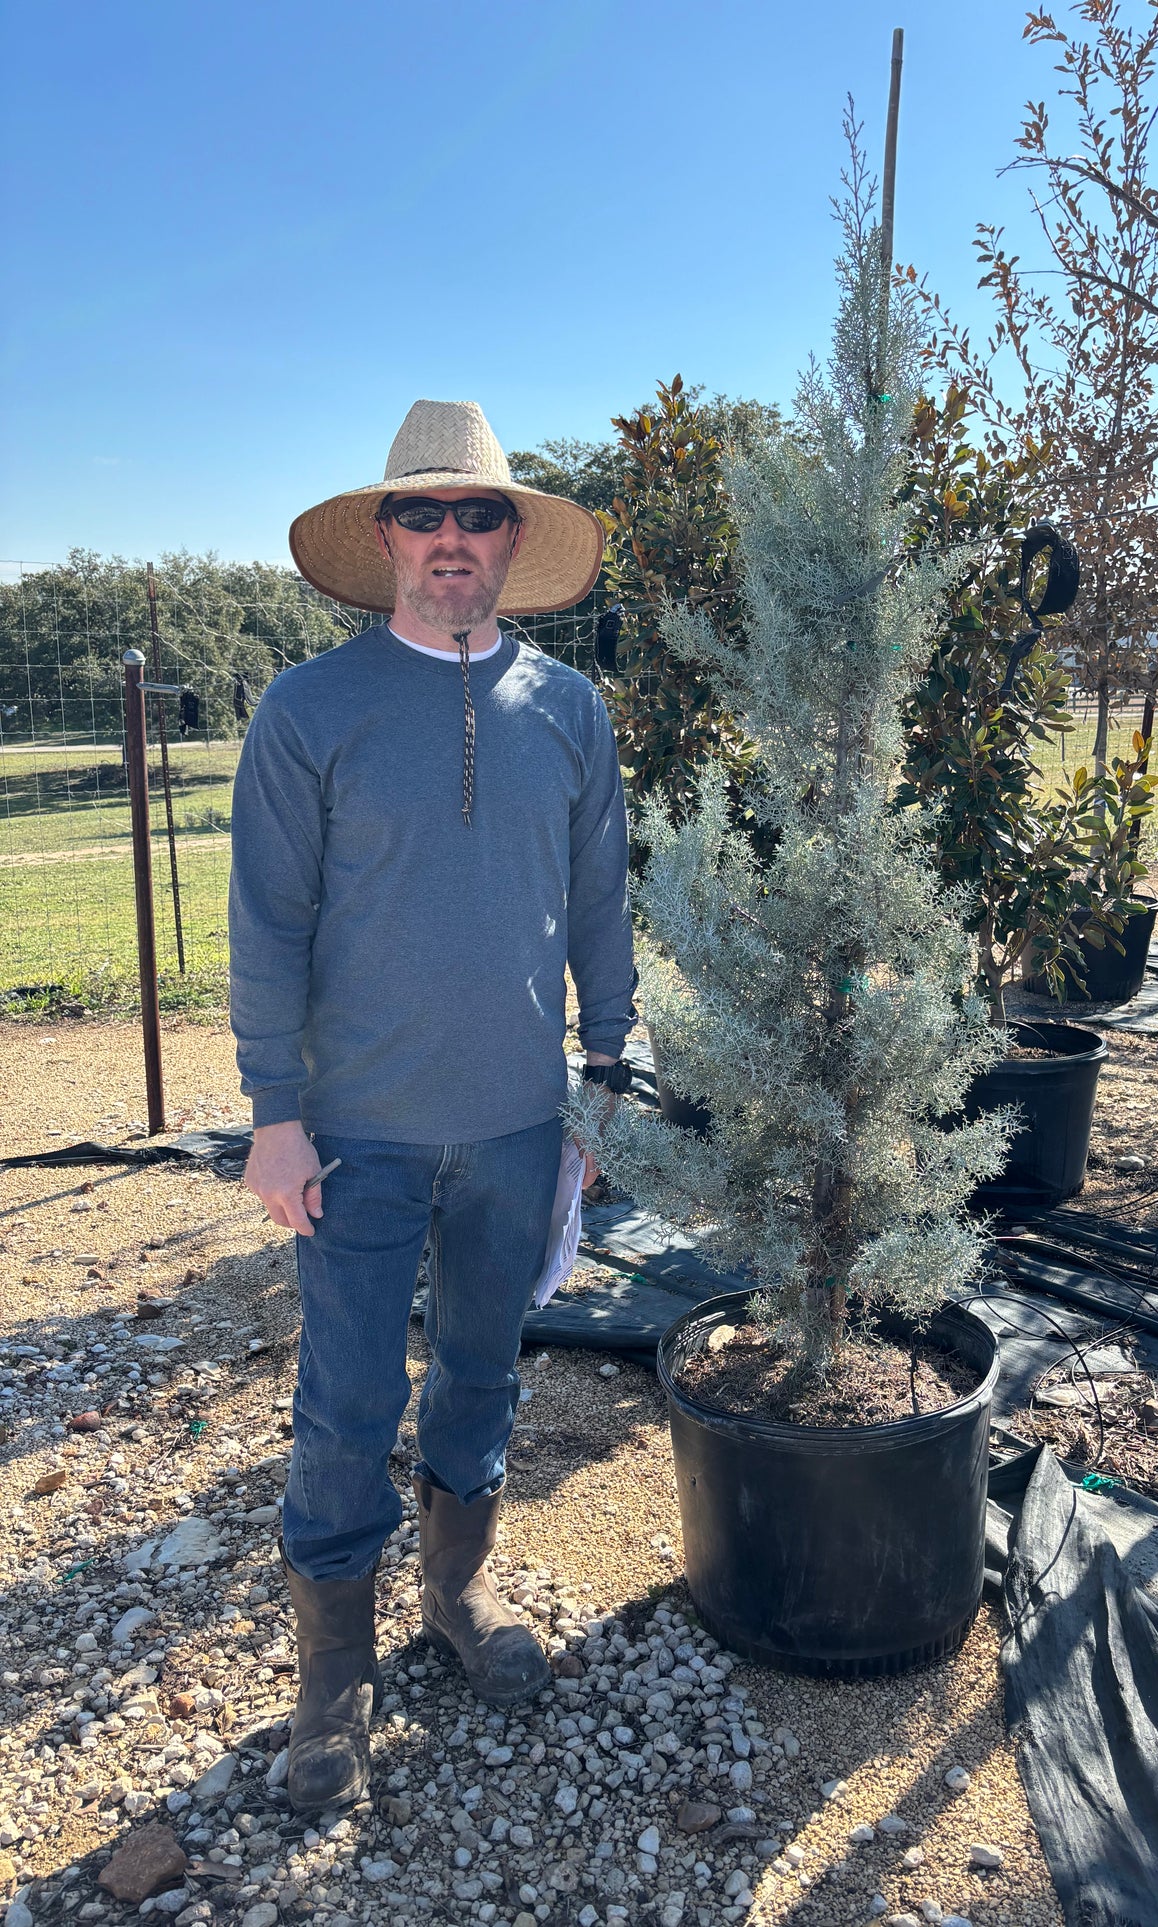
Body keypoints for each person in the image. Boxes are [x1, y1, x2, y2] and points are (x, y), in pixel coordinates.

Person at [229, 398, 636, 1813]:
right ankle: (333, 1678)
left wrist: (604, 1078)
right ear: (385, 537)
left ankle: (456, 1595)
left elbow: (600, 903)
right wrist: (273, 1111)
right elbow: (268, 922)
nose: (451, 538)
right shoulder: (309, 710)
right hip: (354, 1132)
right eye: (424, 513)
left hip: (519, 1126)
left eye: (477, 515)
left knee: (481, 1373)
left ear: (513, 540)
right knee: (345, 1402)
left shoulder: (570, 711)